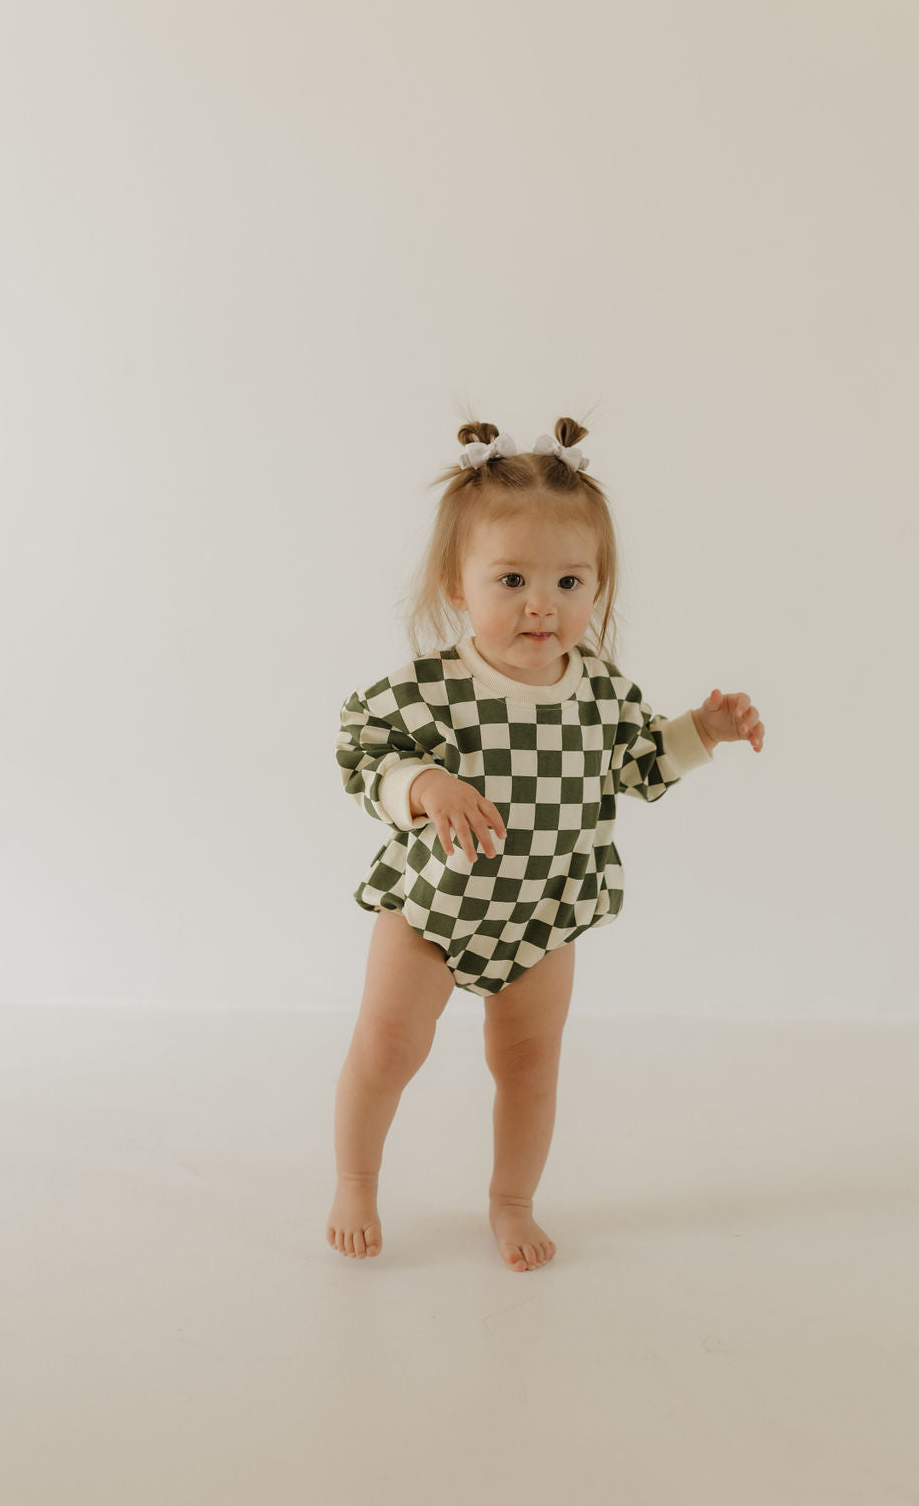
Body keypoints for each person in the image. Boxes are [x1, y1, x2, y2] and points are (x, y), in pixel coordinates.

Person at [327, 417, 765, 1272]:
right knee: (386, 1048)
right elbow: (363, 750)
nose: (543, 603)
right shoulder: (434, 689)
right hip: (432, 910)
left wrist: (702, 732)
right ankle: (354, 1175)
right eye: (513, 579)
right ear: (459, 585)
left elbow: (640, 765)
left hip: (540, 916)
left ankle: (512, 1199)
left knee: (528, 1066)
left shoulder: (598, 690)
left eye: (569, 580)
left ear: (597, 588)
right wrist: (423, 784)